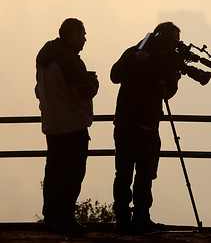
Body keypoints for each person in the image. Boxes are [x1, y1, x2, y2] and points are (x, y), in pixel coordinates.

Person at [111, 22, 182, 234]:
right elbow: (115, 75)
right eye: (173, 41)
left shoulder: (167, 62)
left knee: (145, 175)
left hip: (148, 125)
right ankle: (123, 219)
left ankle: (142, 217)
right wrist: (134, 60)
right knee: (125, 174)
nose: (175, 46)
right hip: (129, 125)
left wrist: (172, 76)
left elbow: (167, 93)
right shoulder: (135, 52)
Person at [35, 18, 99, 234]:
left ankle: (50, 218)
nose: (85, 39)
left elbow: (38, 90)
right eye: (82, 35)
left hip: (52, 124)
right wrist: (93, 82)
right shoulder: (69, 60)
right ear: (72, 35)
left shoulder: (45, 58)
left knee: (53, 174)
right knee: (72, 176)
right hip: (72, 125)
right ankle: (65, 220)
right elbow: (85, 91)